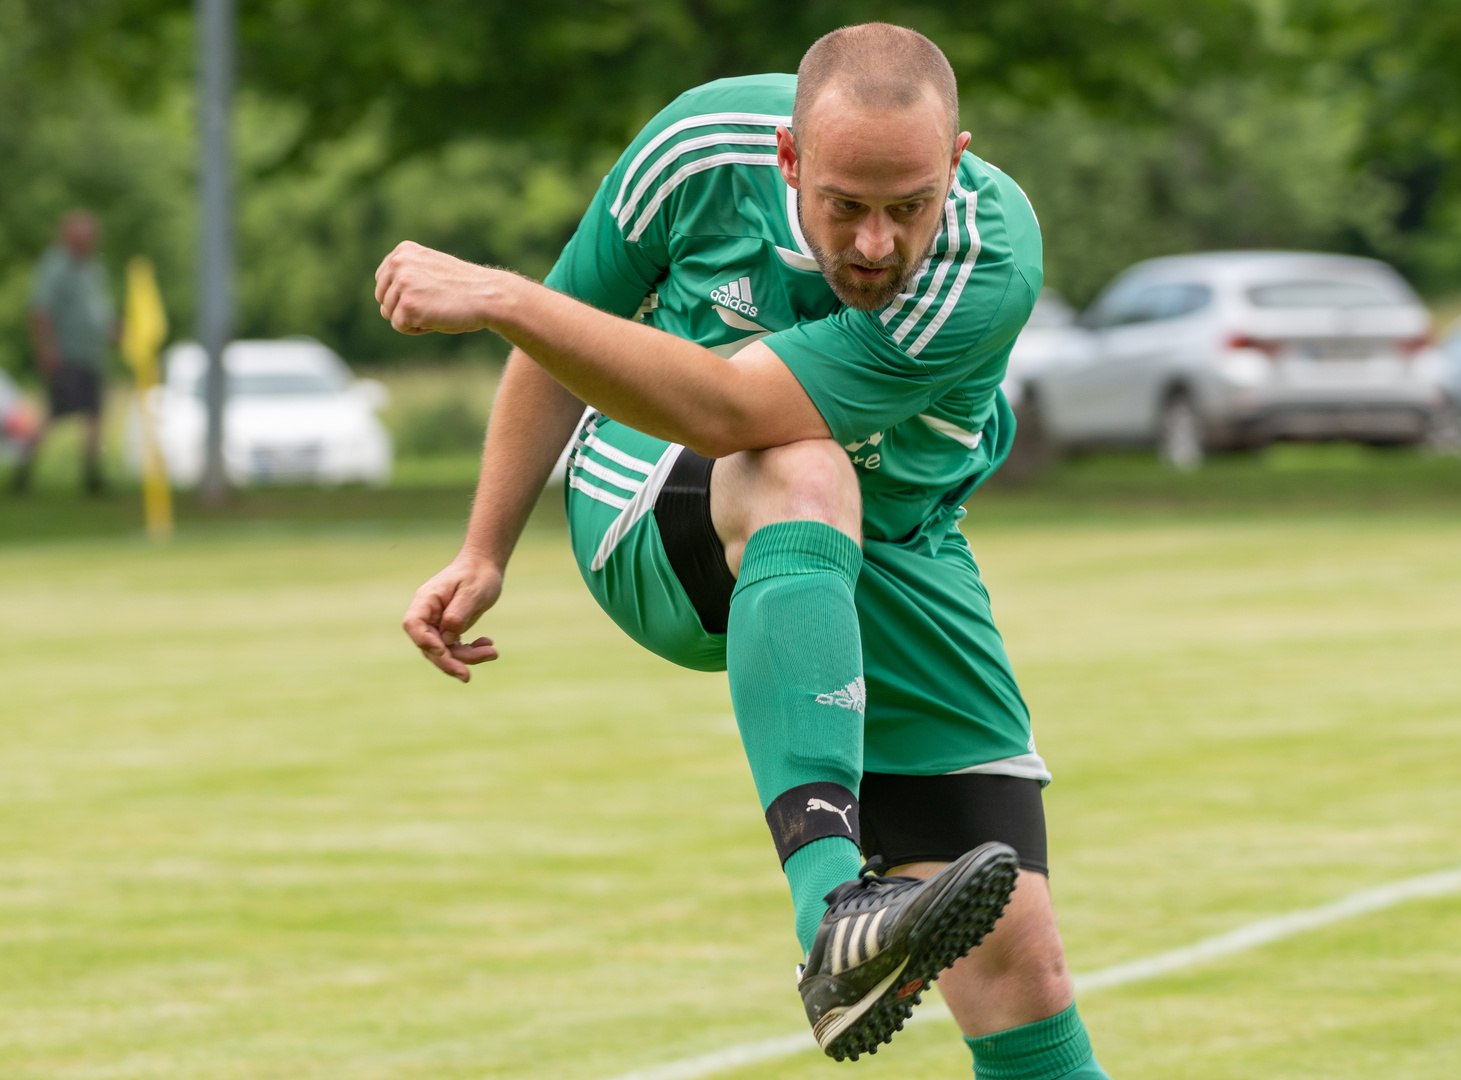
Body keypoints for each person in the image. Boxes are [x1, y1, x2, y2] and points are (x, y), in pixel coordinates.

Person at [377, 24, 1110, 1079]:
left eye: (908, 207)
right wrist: (484, 548)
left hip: (888, 542)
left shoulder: (987, 260)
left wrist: (499, 295)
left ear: (956, 165)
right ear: (788, 161)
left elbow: (733, 403)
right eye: (845, 207)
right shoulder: (699, 147)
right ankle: (833, 914)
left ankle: (861, 926)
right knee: (805, 469)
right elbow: (583, 343)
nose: (874, 245)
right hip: (646, 491)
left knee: (1018, 962)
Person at [12, 210, 117, 494]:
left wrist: (113, 330)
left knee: (95, 413)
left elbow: (98, 312)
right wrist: (47, 348)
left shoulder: (94, 270)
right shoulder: (55, 266)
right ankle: (23, 471)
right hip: (66, 353)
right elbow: (40, 309)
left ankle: (93, 476)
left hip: (91, 354)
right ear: (68, 237)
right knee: (55, 413)